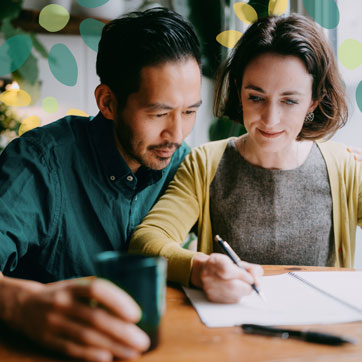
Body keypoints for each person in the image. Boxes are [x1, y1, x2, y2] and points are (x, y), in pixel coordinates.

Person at [0, 8, 202, 361]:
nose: (177, 134)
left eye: (188, 112)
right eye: (158, 113)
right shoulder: (38, 164)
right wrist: (20, 302)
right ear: (108, 102)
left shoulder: (183, 162)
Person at [130, 14, 362, 304]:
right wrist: (199, 269)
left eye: (289, 100)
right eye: (256, 97)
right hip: (232, 334)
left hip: (322, 333)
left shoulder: (346, 169)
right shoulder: (205, 163)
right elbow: (146, 241)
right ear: (239, 90)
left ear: (314, 100)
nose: (270, 119)